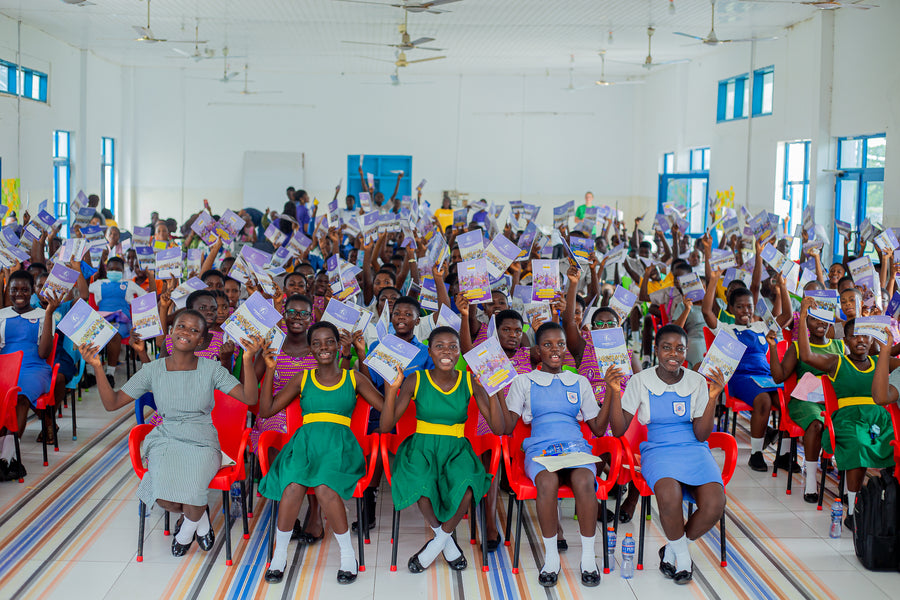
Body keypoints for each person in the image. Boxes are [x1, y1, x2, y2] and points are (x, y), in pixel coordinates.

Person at [79, 310, 263, 555]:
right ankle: (201, 520)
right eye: (181, 326)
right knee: (164, 498)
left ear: (202, 341)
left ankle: (186, 534)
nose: (185, 332)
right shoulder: (152, 370)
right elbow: (111, 403)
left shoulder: (212, 369)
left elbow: (250, 398)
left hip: (202, 442)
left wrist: (248, 358)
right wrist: (97, 366)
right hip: (166, 439)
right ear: (170, 332)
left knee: (194, 493)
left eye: (194, 330)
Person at [258, 321, 399, 584]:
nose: (324, 347)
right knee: (291, 487)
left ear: (338, 345)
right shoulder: (303, 378)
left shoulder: (353, 378)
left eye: (329, 341)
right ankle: (279, 556)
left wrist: (390, 390)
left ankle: (348, 555)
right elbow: (266, 410)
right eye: (317, 343)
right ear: (311, 348)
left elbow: (387, 422)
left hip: (340, 447)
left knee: (324, 487)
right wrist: (269, 370)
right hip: (305, 445)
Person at [380, 326, 506, 574]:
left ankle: (435, 545)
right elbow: (386, 426)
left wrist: (492, 390)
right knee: (421, 486)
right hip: (421, 449)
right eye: (439, 346)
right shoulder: (416, 379)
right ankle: (447, 544)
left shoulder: (469, 380)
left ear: (460, 352)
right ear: (430, 351)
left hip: (457, 450)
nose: (446, 351)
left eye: (452, 347)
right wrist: (393, 390)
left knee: (468, 487)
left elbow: (498, 428)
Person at [610, 324, 727, 585]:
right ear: (656, 349)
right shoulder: (641, 381)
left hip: (694, 449)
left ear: (686, 351)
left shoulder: (697, 380)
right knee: (668, 494)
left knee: (715, 504)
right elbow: (618, 429)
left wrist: (712, 399)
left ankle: (672, 549)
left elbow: (701, 435)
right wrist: (615, 392)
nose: (673, 354)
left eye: (679, 348)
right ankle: (683, 560)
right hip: (659, 449)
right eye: (666, 347)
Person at [504, 322, 614, 588]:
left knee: (586, 482)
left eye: (560, 344)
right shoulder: (523, 381)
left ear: (566, 348)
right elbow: (507, 427)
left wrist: (611, 390)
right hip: (541, 448)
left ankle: (588, 557)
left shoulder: (579, 382)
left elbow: (598, 429)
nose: (555, 350)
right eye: (548, 345)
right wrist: (495, 393)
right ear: (537, 350)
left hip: (575, 448)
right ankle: (551, 557)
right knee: (547, 482)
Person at [797, 316, 899, 530]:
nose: (860, 340)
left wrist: (889, 338)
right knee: (860, 444)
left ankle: (889, 504)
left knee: (894, 444)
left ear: (872, 340)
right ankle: (852, 511)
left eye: (865, 336)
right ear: (846, 340)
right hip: (848, 418)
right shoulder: (836, 361)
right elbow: (805, 355)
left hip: (879, 419)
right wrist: (804, 313)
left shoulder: (879, 362)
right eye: (854, 336)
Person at [701, 269, 792, 472]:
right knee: (764, 400)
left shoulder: (761, 326)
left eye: (749, 306)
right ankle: (756, 454)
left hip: (766, 377)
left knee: (788, 400)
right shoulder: (725, 329)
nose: (745, 311)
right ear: (731, 308)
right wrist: (713, 281)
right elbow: (707, 312)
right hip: (741, 378)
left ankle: (784, 455)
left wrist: (783, 288)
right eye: (740, 307)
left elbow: (786, 315)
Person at [768, 297, 844, 501]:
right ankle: (811, 481)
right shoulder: (798, 347)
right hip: (806, 401)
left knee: (848, 423)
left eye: (823, 319)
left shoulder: (840, 346)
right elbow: (779, 376)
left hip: (832, 400)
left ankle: (846, 486)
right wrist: (774, 348)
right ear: (806, 322)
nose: (819, 323)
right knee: (816, 425)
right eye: (813, 319)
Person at [0, 271, 57, 480]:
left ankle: (6, 459)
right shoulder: (2, 315)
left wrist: (50, 313)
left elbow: (44, 353)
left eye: (25, 289)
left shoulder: (43, 315)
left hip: (33, 368)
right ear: (8, 290)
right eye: (14, 289)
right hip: (5, 367)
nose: (19, 294)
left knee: (20, 399)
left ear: (32, 291)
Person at [89, 256, 144, 386]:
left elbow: (146, 295)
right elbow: (84, 292)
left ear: (122, 271)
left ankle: (110, 373)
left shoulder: (129, 284)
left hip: (121, 320)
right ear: (106, 270)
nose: (114, 271)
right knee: (89, 334)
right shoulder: (98, 284)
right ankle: (91, 373)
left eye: (117, 269)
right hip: (102, 318)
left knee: (114, 333)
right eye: (111, 269)